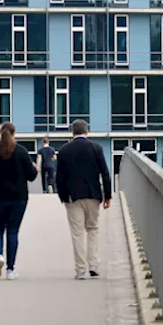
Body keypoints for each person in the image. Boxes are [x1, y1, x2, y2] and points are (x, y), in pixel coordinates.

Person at [0, 122, 37, 281]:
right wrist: (34, 166)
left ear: (0, 134)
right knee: (13, 231)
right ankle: (10, 269)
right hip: (18, 199)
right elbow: (32, 176)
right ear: (14, 134)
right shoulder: (21, 152)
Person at [56, 119, 111, 280]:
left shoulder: (64, 150)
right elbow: (105, 173)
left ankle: (80, 269)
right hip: (93, 195)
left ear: (72, 132)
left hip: (73, 197)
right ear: (87, 132)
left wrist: (62, 196)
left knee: (77, 233)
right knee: (92, 229)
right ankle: (93, 265)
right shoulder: (96, 148)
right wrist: (107, 195)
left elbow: (60, 177)